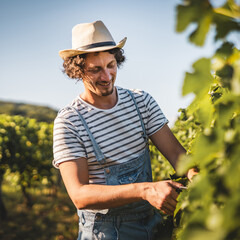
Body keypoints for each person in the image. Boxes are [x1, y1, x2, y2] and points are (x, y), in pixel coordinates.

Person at [53, 20, 196, 240]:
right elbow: (80, 194)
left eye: (111, 65)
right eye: (96, 70)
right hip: (104, 232)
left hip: (152, 225)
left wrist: (194, 175)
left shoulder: (141, 102)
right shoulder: (69, 121)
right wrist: (145, 190)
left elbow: (178, 155)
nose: (107, 76)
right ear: (78, 70)